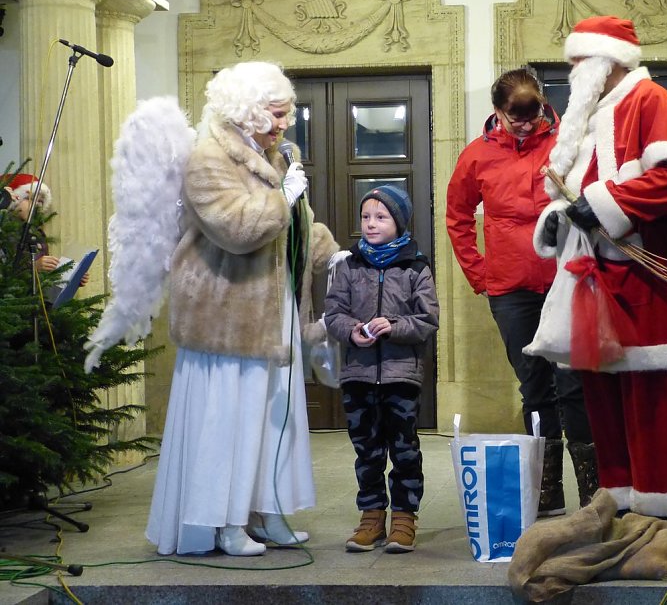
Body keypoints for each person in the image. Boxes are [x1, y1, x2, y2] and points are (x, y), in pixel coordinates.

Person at [145, 61, 337, 556]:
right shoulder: (208, 157)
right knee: (228, 424)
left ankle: (268, 513)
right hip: (225, 315)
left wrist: (327, 251)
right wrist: (281, 199)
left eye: (287, 112)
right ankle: (224, 524)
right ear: (246, 111)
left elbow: (295, 229)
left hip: (274, 311)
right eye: (276, 113)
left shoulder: (278, 155)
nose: (285, 123)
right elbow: (234, 229)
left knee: (274, 420)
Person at [533, 16, 667, 527]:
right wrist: (559, 218)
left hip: (641, 277)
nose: (572, 70)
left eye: (578, 60)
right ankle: (620, 507)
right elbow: (572, 193)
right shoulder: (588, 114)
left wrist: (606, 204)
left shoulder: (647, 99)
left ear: (608, 60)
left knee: (646, 396)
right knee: (602, 397)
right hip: (591, 278)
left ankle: (659, 519)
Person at [445, 68, 596, 516]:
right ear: (498, 111)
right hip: (510, 288)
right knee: (534, 387)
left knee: (574, 383)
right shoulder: (477, 156)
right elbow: (457, 217)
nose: (526, 124)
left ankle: (592, 489)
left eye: (533, 115)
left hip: (566, 279)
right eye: (516, 116)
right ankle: (547, 490)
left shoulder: (566, 141)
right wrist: (481, 274)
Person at [324, 185, 439, 553]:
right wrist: (351, 331)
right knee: (367, 450)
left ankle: (404, 518)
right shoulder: (348, 266)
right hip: (358, 375)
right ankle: (371, 517)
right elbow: (333, 313)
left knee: (404, 449)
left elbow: (427, 318)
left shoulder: (415, 267)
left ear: (399, 222)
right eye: (366, 217)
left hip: (400, 375)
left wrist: (395, 325)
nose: (370, 224)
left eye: (381, 217)